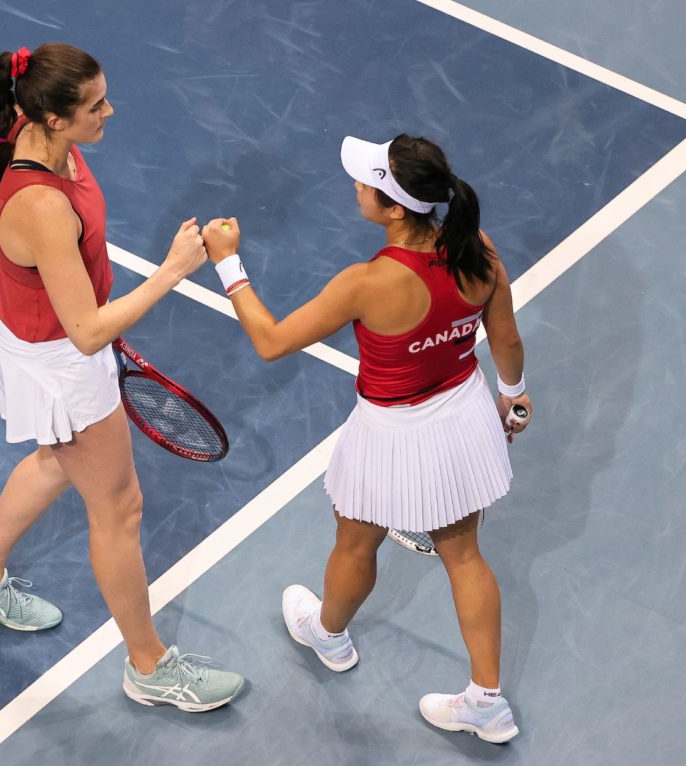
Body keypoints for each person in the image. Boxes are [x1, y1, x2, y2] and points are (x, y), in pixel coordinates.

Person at [0, 43, 244, 712]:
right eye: (94, 105)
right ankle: (149, 666)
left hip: (39, 331)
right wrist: (172, 271)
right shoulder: (42, 202)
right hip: (61, 356)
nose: (110, 110)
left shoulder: (47, 142)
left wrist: (98, 311)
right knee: (120, 510)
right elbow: (85, 331)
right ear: (51, 117)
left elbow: (75, 294)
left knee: (54, 461)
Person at [202, 134, 530, 741]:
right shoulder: (477, 249)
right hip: (462, 413)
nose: (354, 186)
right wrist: (514, 391)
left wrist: (227, 261)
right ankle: (487, 701)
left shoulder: (367, 283)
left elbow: (271, 342)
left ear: (396, 208)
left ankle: (328, 636)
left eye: (365, 182)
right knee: (465, 555)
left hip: (391, 431)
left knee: (355, 544)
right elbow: (504, 337)